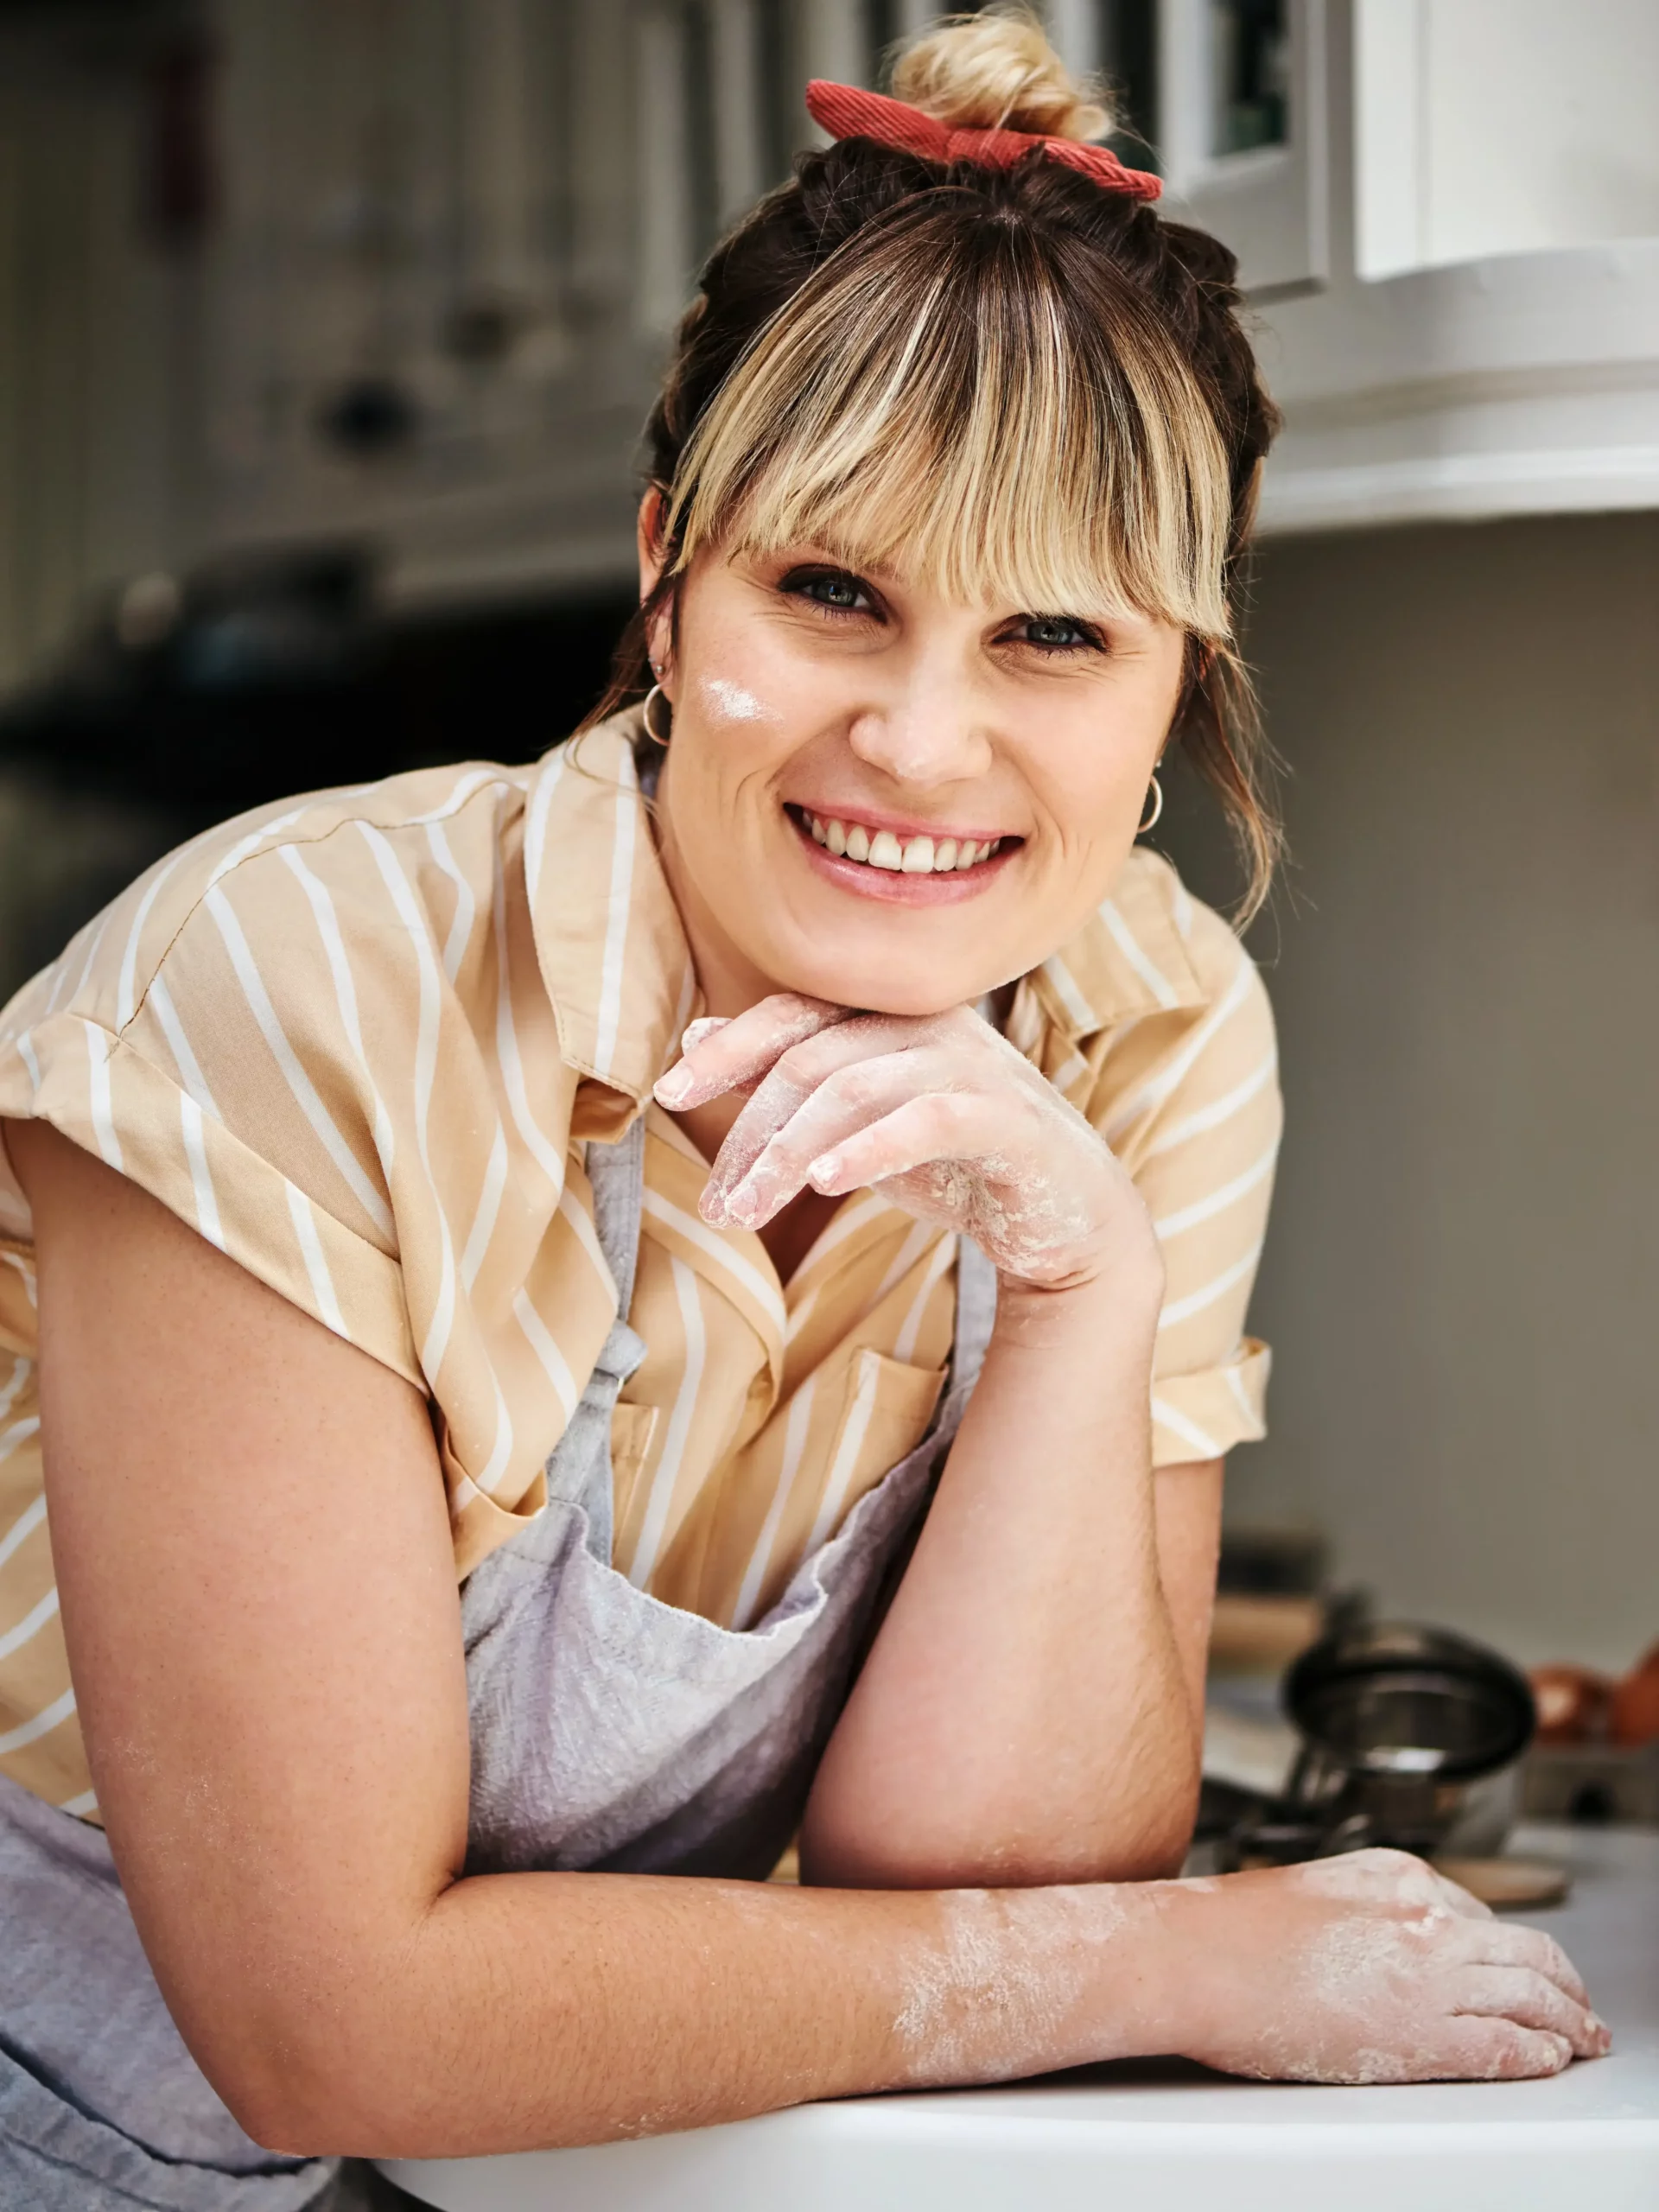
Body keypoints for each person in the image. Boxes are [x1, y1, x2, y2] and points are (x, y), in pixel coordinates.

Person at [0, 12, 1605, 2207]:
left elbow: (991, 1875)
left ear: (1179, 678)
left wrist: (1075, 1285)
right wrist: (1180, 1957)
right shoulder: (295, 979)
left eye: (1055, 634)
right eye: (834, 591)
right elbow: (328, 2019)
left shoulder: (1148, 1027)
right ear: (671, 577)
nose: (924, 745)